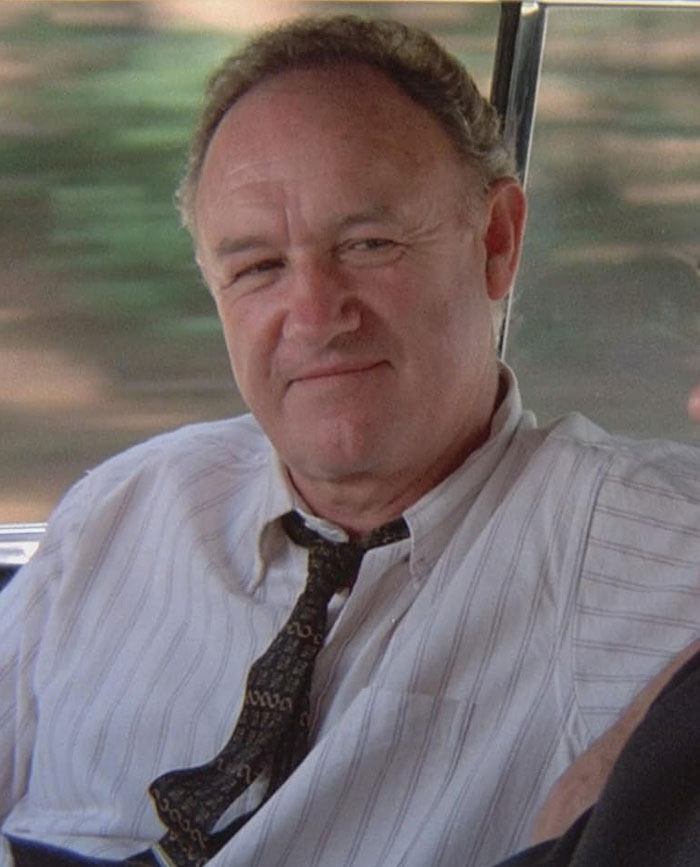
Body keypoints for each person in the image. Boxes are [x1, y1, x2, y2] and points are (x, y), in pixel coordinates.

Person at [1, 14, 699, 867]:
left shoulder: (633, 542)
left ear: (497, 241)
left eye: (368, 244)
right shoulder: (114, 517)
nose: (316, 316)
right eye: (257, 267)